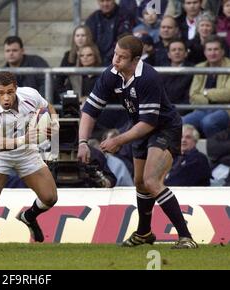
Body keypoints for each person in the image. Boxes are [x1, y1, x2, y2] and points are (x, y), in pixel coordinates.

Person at [77, 35, 198, 249]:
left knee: (151, 180)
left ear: (135, 60)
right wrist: (83, 142)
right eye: (115, 54)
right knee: (140, 182)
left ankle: (186, 237)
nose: (115, 60)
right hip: (139, 128)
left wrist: (118, 140)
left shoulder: (148, 77)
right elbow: (90, 110)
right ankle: (144, 232)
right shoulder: (111, 74)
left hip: (164, 128)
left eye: (122, 58)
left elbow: (149, 123)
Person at [0, 72, 59, 249]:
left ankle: (29, 216)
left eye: (10, 92)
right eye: (0, 93)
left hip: (27, 153)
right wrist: (25, 139)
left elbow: (48, 106)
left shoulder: (30, 94)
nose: (5, 97)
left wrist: (54, 122)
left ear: (16, 89)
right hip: (0, 156)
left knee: (50, 197)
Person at [183, 36, 230, 137]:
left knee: (209, 122)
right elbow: (193, 96)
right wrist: (210, 99)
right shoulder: (199, 67)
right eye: (209, 50)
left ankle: (216, 150)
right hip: (203, 108)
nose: (212, 53)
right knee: (182, 122)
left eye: (216, 49)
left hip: (225, 109)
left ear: (222, 51)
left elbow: (228, 94)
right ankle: (187, 151)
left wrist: (205, 93)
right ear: (205, 52)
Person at [85, 0, 135, 66]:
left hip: (117, 61)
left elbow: (123, 40)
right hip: (96, 61)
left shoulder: (124, 16)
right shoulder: (92, 18)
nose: (105, 4)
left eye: (108, 0)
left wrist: (108, 58)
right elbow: (89, 41)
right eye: (102, 1)